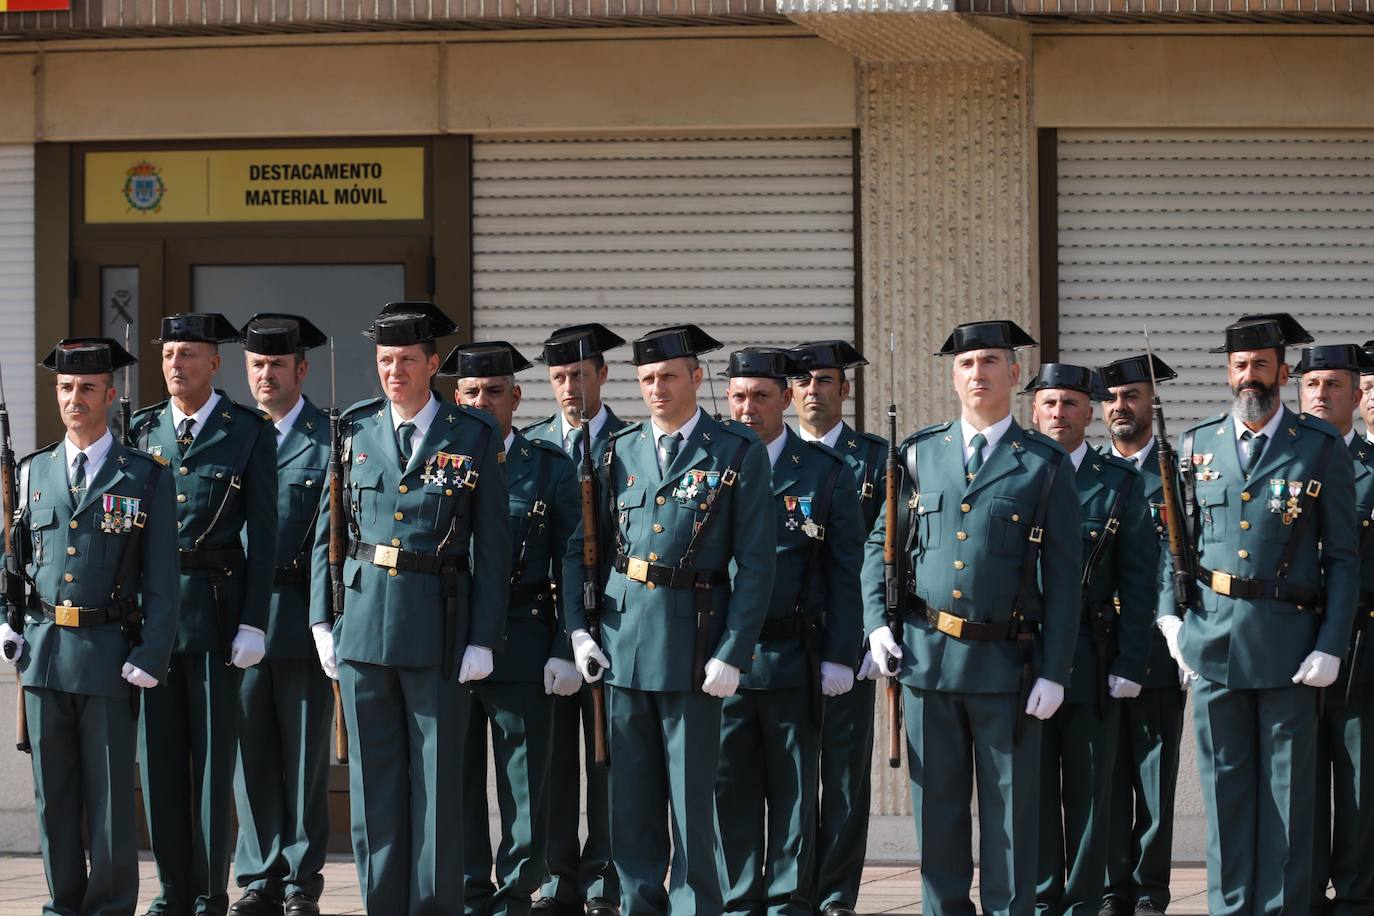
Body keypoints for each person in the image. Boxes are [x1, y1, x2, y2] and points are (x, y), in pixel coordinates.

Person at [861, 320, 1082, 916]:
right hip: (926, 660)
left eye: (989, 362)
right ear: (953, 377)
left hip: (1008, 665)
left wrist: (1055, 670)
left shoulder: (1044, 463)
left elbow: (1064, 577)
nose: (977, 374)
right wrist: (877, 623)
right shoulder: (916, 453)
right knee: (938, 813)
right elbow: (880, 546)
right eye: (965, 364)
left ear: (1014, 374)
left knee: (1013, 815)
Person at [308, 301, 510, 915]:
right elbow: (329, 532)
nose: (394, 372)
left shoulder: (472, 435)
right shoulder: (355, 430)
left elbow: (493, 547)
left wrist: (483, 637)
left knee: (437, 787)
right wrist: (322, 619)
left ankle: (433, 906)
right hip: (364, 629)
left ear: (434, 364)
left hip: (439, 628)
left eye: (405, 361)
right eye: (384, 361)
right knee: (376, 788)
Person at [566, 324, 775, 915]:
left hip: (694, 647)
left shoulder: (735, 451)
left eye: (668, 377)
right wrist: (580, 629)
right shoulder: (618, 449)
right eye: (647, 379)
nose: (657, 389)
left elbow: (757, 564)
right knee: (629, 802)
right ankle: (639, 904)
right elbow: (590, 546)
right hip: (624, 642)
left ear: (696, 378)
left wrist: (734, 651)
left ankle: (694, 907)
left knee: (692, 802)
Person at [1156, 313, 1358, 915]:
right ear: (1227, 373)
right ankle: (1230, 907)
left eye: (1262, 366)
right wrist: (1173, 620)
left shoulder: (1318, 448)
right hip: (1213, 643)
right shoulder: (1196, 444)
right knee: (1224, 796)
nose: (1251, 377)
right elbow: (1176, 546)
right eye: (1240, 366)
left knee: (1288, 798)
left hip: (1289, 646)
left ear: (1283, 371)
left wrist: (1331, 643)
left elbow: (1343, 558)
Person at [0, 338, 178, 916]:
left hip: (109, 655)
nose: (74, 399)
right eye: (64, 388)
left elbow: (162, 580)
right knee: (55, 798)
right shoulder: (31, 472)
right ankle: (62, 904)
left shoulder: (145, 477)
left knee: (107, 800)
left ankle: (108, 907)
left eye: (85, 388)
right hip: (45, 655)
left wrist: (151, 652)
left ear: (111, 394)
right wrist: (7, 623)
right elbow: (13, 560)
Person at [131, 313, 278, 916]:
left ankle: (209, 892)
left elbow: (265, 536)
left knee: (216, 766)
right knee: (160, 762)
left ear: (215, 363)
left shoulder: (246, 431)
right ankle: (171, 889)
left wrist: (254, 620)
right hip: (153, 622)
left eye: (188, 354)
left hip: (218, 612)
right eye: (168, 354)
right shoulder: (140, 430)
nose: (175, 365)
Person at [714, 347, 862, 916]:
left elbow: (844, 569)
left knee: (795, 790)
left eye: (761, 396)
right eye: (738, 397)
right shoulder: (710, 461)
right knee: (729, 787)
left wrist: (839, 655)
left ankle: (787, 900)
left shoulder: (824, 472)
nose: (748, 408)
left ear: (787, 398)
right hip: (725, 658)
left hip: (793, 655)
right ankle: (738, 898)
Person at [442, 341, 584, 916]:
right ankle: (472, 889)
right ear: (455, 398)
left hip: (523, 633)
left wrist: (564, 644)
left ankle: (518, 890)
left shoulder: (549, 466)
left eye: (494, 392)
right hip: (450, 638)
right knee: (456, 779)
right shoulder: (437, 460)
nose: (482, 402)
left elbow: (574, 560)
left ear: (517, 397)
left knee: (527, 781)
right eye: (471, 392)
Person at [1022, 364, 1154, 916]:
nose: (1059, 413)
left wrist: (1130, 660)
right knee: (1029, 795)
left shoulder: (1120, 483)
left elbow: (1141, 580)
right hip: (1022, 656)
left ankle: (1083, 901)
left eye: (1071, 404)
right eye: (1049, 403)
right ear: (1034, 411)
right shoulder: (1014, 474)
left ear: (1089, 412)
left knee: (1090, 793)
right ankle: (1039, 897)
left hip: (1090, 657)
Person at [522, 323, 629, 916]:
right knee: (553, 758)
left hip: (612, 622)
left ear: (602, 377)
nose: (569, 388)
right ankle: (556, 873)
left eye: (579, 377)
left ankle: (604, 876)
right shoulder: (537, 446)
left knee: (606, 756)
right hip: (546, 626)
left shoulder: (631, 442)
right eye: (559, 378)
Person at [229, 314, 332, 916]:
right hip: (239, 615)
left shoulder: (330, 440)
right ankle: (257, 876)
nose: (266, 376)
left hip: (297, 615)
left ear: (301, 370)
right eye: (257, 366)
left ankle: (299, 881)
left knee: (302, 759)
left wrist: (326, 620)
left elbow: (330, 540)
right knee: (250, 756)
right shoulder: (237, 435)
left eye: (277, 365)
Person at [788, 340, 886, 916]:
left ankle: (836, 893)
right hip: (785, 637)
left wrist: (879, 629)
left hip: (850, 638)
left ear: (844, 390)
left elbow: (888, 552)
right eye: (803, 381)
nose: (813, 391)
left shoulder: (874, 458)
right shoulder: (763, 455)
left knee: (845, 775)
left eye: (825, 381)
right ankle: (794, 886)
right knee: (791, 773)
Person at [1096, 353, 1186, 916]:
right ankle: (1110, 887)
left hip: (1157, 645)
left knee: (1155, 775)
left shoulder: (1181, 472)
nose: (1119, 407)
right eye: (1110, 399)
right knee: (1103, 775)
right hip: (1100, 641)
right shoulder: (1087, 472)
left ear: (1152, 403)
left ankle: (1150, 889)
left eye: (1130, 396)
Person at [1294, 344, 1374, 914]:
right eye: (1311, 385)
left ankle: (1354, 894)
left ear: (1357, 395)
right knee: (1295, 778)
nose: (1320, 395)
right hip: (1290, 638)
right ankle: (1301, 890)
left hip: (1361, 642)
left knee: (1357, 782)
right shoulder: (1283, 459)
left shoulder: (1369, 463)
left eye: (1334, 386)